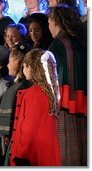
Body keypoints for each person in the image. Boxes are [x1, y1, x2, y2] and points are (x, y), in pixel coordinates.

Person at [48, 5, 87, 166]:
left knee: (67, 151)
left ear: (55, 22)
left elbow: (50, 76)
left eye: (49, 21)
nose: (48, 26)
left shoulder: (58, 43)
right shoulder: (82, 40)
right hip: (84, 102)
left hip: (65, 103)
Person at [9, 49, 61, 166]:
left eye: (24, 66)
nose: (23, 70)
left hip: (32, 156)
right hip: (45, 153)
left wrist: (21, 155)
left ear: (31, 68)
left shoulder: (34, 93)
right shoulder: (50, 92)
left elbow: (28, 128)